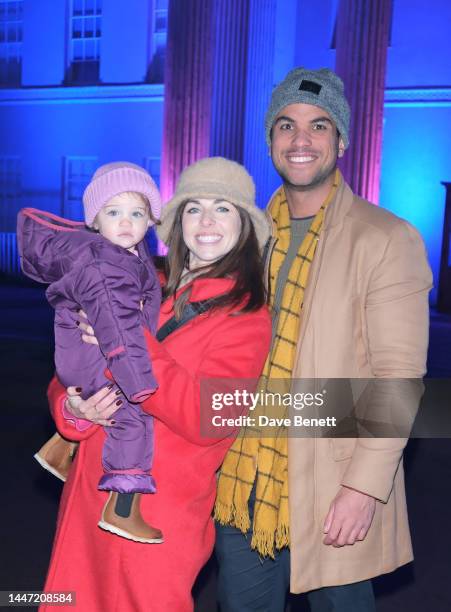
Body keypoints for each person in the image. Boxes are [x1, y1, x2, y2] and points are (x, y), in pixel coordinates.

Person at [214, 67, 432, 611]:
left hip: (333, 486)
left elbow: (398, 379)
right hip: (242, 480)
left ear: (341, 140)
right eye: (286, 125)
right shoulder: (242, 238)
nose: (301, 140)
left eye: (319, 125)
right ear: (270, 140)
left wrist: (363, 489)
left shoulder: (384, 238)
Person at [40, 157, 272, 611]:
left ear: (244, 225)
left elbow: (210, 418)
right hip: (89, 497)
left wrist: (130, 340)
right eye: (193, 208)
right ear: (173, 222)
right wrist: (73, 410)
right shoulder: (143, 281)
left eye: (223, 208)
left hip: (157, 516)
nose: (206, 221)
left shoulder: (247, 316)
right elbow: (68, 371)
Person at [18, 162, 164, 543]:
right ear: (95, 221)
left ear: (151, 221)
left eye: (137, 213)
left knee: (110, 403)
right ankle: (122, 508)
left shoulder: (127, 257)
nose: (127, 222)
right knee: (134, 419)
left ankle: (59, 449)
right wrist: (139, 383)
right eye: (114, 212)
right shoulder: (108, 264)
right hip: (95, 358)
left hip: (83, 360)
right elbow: (118, 328)